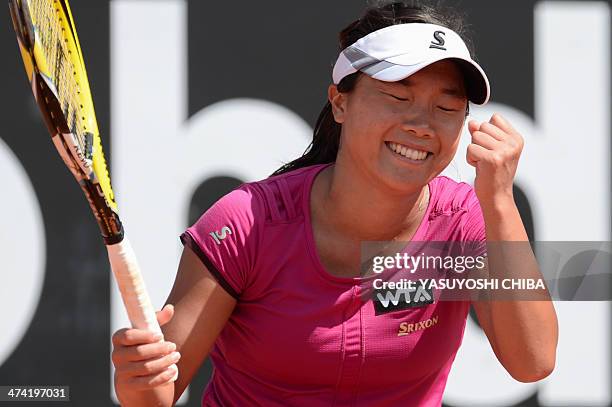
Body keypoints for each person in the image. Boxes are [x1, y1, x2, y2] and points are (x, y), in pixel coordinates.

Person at [111, 1, 558, 406]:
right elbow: (157, 394)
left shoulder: (468, 222)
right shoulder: (245, 221)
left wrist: (498, 198)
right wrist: (137, 380)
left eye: (446, 108)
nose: (422, 125)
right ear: (340, 102)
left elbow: (533, 361)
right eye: (398, 97)